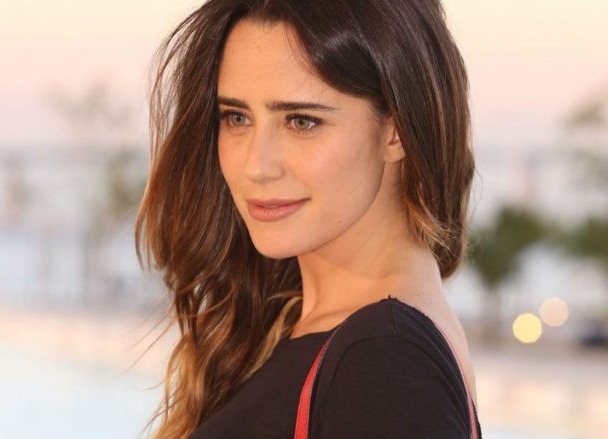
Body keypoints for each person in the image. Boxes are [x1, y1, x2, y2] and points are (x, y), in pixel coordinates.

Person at [134, 0, 481, 437]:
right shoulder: (320, 331)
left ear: (397, 129)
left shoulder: (384, 358)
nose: (256, 166)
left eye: (301, 121)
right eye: (237, 118)